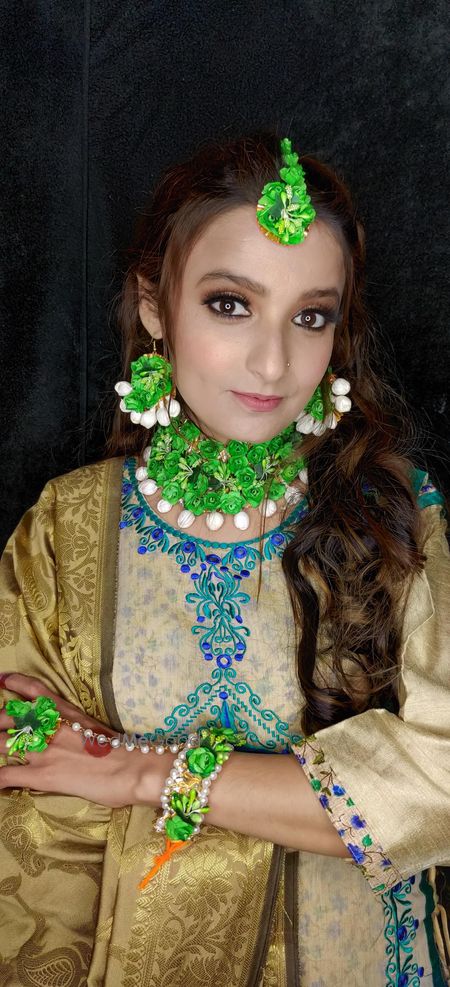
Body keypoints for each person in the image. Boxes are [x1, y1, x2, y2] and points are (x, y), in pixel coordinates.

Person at [0, 131, 448, 987]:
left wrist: (139, 770)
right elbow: (32, 807)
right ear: (154, 306)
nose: (273, 362)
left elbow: (442, 782)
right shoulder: (69, 529)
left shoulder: (395, 519)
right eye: (231, 304)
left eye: (311, 316)